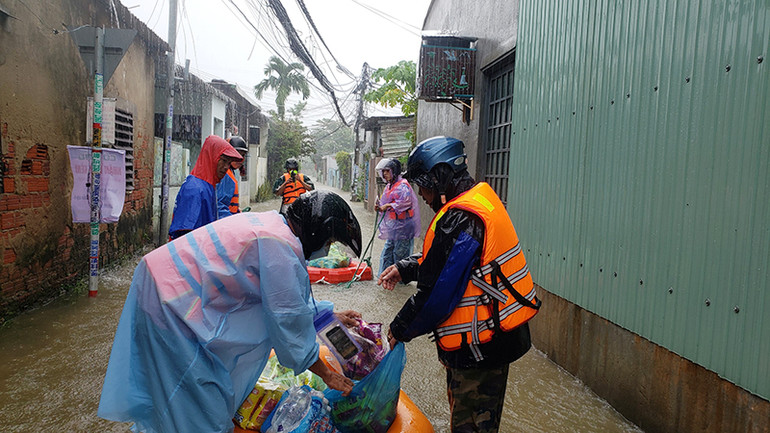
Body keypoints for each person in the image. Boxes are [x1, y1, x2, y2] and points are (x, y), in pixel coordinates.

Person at [99, 190, 363, 433]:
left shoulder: (272, 225)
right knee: (199, 409)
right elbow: (288, 323)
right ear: (316, 231)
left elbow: (287, 301)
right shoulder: (280, 247)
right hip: (173, 308)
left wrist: (330, 316)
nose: (326, 249)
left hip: (165, 289)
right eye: (328, 240)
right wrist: (327, 374)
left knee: (174, 398)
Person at [377, 136, 541, 433]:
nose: (423, 195)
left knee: (472, 427)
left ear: (440, 177)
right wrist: (405, 268)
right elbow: (448, 261)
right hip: (491, 340)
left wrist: (398, 329)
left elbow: (436, 295)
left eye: (424, 185)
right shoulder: (477, 203)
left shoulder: (460, 218)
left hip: (480, 349)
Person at [168, 135, 243, 240]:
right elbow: (184, 236)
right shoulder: (195, 188)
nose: (226, 167)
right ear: (211, 157)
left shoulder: (208, 186)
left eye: (229, 163)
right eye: (223, 160)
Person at [374, 158, 421, 275]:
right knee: (387, 253)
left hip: (404, 226)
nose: (384, 174)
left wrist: (388, 205)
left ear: (394, 171)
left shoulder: (403, 185)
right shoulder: (389, 186)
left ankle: (400, 282)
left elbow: (405, 202)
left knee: (400, 255)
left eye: (387, 171)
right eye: (383, 171)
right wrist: (379, 207)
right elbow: (384, 204)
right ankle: (384, 277)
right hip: (393, 226)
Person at [216, 135, 248, 219]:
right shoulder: (225, 174)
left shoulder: (231, 173)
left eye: (243, 155)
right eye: (236, 154)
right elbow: (219, 206)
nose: (240, 159)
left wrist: (237, 211)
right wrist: (233, 222)